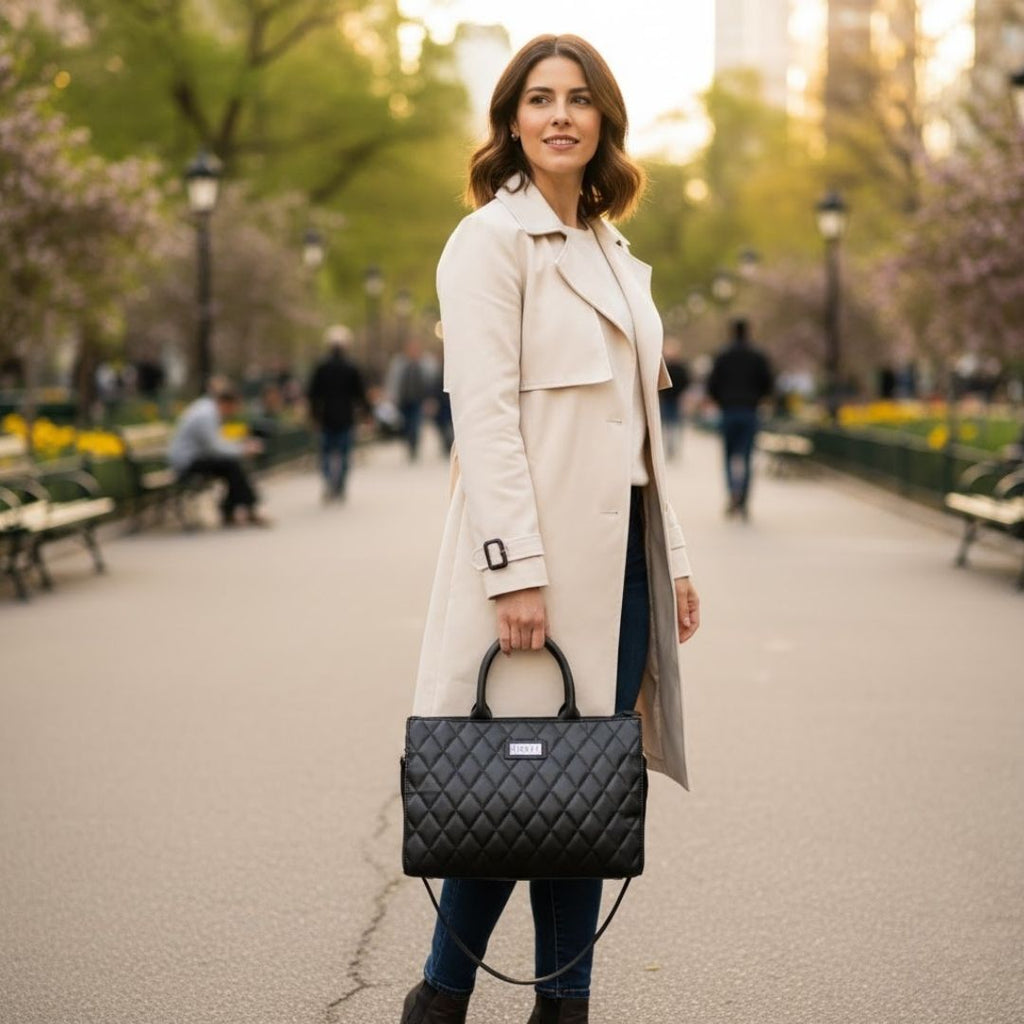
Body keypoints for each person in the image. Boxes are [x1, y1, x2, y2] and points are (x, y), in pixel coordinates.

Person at [402, 35, 701, 1024]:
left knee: (580, 795)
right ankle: (442, 998)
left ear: (604, 119)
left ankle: (556, 1007)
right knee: (514, 794)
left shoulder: (616, 255)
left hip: (617, 563)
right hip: (535, 568)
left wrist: (678, 563)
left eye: (579, 98)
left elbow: (642, 429)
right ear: (512, 122)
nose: (561, 115)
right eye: (540, 99)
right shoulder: (487, 243)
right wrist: (513, 571)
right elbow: (481, 419)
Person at [168, 376, 266, 527]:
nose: (234, 412)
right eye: (235, 407)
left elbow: (216, 443)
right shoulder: (206, 415)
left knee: (232, 466)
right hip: (187, 462)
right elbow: (214, 448)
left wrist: (240, 447)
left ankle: (234, 510)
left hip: (195, 458)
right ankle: (245, 509)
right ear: (227, 403)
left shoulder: (208, 409)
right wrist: (242, 450)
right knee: (232, 465)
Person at [706, 318, 774, 519]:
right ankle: (743, 499)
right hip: (750, 411)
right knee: (746, 457)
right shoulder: (758, 356)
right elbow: (768, 383)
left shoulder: (722, 355)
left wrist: (721, 399)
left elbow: (712, 384)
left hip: (728, 410)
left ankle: (731, 494)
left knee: (728, 457)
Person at [306, 325, 369, 501]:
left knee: (326, 453)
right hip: (346, 417)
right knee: (344, 454)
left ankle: (329, 483)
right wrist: (366, 413)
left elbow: (312, 394)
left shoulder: (321, 367)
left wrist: (313, 416)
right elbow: (360, 394)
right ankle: (339, 485)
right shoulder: (351, 367)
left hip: (325, 416)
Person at [386, 339, 432, 461]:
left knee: (416, 425)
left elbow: (429, 382)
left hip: (418, 401)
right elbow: (393, 381)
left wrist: (429, 400)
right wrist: (392, 396)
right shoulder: (400, 363)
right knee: (406, 425)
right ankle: (409, 443)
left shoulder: (424, 363)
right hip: (404, 401)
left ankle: (414, 446)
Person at [659, 337, 690, 461]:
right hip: (669, 399)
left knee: (672, 426)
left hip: (674, 399)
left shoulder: (676, 367)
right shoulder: (674, 367)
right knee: (670, 426)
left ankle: (672, 449)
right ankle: (670, 449)